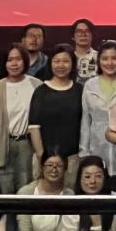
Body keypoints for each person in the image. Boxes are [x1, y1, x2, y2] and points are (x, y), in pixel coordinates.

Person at [0, 45, 42, 195]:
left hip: (27, 145)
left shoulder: (37, 85)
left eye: (18, 59)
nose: (14, 64)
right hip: (3, 144)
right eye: (10, 60)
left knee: (26, 189)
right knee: (4, 190)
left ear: (25, 61)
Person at [79, 40, 116, 194]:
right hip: (97, 148)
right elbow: (85, 120)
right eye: (105, 58)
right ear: (99, 61)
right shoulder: (90, 85)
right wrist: (84, 152)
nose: (110, 63)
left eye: (114, 58)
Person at [28, 44, 83, 190]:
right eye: (56, 61)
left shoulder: (80, 90)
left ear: (72, 64)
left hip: (72, 159)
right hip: (45, 159)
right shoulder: (41, 91)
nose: (61, 65)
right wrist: (41, 157)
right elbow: (33, 126)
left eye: (65, 61)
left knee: (69, 197)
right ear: (50, 63)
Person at [71, 18, 98, 84]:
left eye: (87, 31)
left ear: (92, 35)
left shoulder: (100, 57)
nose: (83, 34)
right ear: (73, 36)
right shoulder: (68, 57)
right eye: (79, 31)